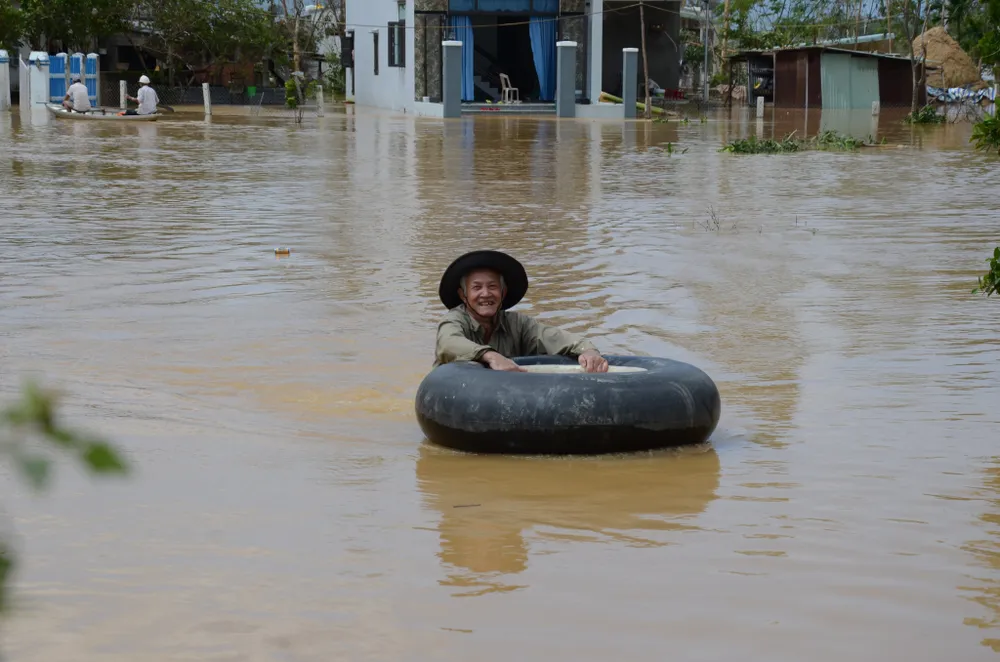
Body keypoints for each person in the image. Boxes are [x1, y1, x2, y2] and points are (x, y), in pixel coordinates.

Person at [434, 250, 609, 373]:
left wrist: (588, 351)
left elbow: (554, 337)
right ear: (463, 295)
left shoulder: (518, 324)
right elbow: (448, 343)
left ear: (503, 293)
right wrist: (491, 356)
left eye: (493, 287)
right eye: (477, 287)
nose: (485, 294)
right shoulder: (454, 320)